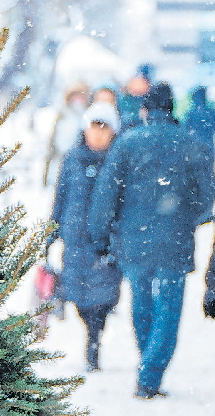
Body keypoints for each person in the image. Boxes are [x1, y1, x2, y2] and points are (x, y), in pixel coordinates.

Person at [89, 82, 215, 399]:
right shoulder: (190, 143)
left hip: (134, 241)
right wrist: (188, 219)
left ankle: (147, 366)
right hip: (175, 241)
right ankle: (151, 371)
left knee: (142, 305)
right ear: (172, 109)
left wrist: (101, 234)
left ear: (145, 109)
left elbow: (106, 194)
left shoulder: (127, 143)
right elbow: (206, 196)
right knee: (168, 310)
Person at [46, 101, 122, 372]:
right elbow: (60, 198)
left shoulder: (118, 160)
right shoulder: (72, 159)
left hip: (105, 242)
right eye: (94, 127)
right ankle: (91, 335)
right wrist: (50, 233)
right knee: (79, 298)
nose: (98, 134)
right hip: (75, 240)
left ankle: (94, 344)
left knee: (102, 301)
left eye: (104, 128)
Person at [43, 81, 90, 187]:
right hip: (58, 158)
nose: (77, 100)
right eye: (75, 96)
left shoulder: (87, 116)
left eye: (81, 96)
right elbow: (53, 140)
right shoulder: (63, 113)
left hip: (77, 161)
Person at [182, 86, 215, 165]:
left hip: (195, 149)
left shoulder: (190, 114)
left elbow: (186, 131)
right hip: (209, 146)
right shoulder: (211, 112)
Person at [117, 64, 153, 131]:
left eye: (142, 80)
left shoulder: (151, 101)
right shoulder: (124, 100)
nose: (138, 84)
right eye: (136, 80)